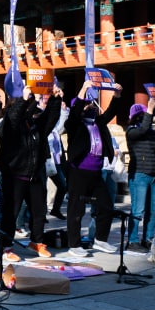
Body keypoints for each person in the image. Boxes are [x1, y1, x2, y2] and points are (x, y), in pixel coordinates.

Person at [0, 83, 62, 260]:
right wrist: (24, 100)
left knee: (39, 212)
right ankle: (6, 246)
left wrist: (55, 99)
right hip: (15, 176)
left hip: (35, 174)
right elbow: (13, 118)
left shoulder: (35, 126)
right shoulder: (9, 126)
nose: (34, 112)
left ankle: (37, 241)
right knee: (11, 213)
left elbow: (50, 118)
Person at [65, 81, 120, 254]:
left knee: (106, 206)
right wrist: (83, 89)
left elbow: (110, 112)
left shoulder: (98, 123)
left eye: (92, 104)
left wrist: (117, 95)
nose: (91, 106)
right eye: (87, 104)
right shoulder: (74, 125)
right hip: (79, 172)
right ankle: (74, 244)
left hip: (96, 172)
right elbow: (75, 113)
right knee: (77, 209)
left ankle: (100, 240)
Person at [124, 101, 155, 250]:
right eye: (143, 115)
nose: (147, 117)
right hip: (139, 174)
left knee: (151, 211)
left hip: (152, 175)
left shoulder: (150, 132)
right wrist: (150, 109)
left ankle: (148, 239)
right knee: (137, 210)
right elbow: (143, 129)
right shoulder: (132, 131)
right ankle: (132, 241)